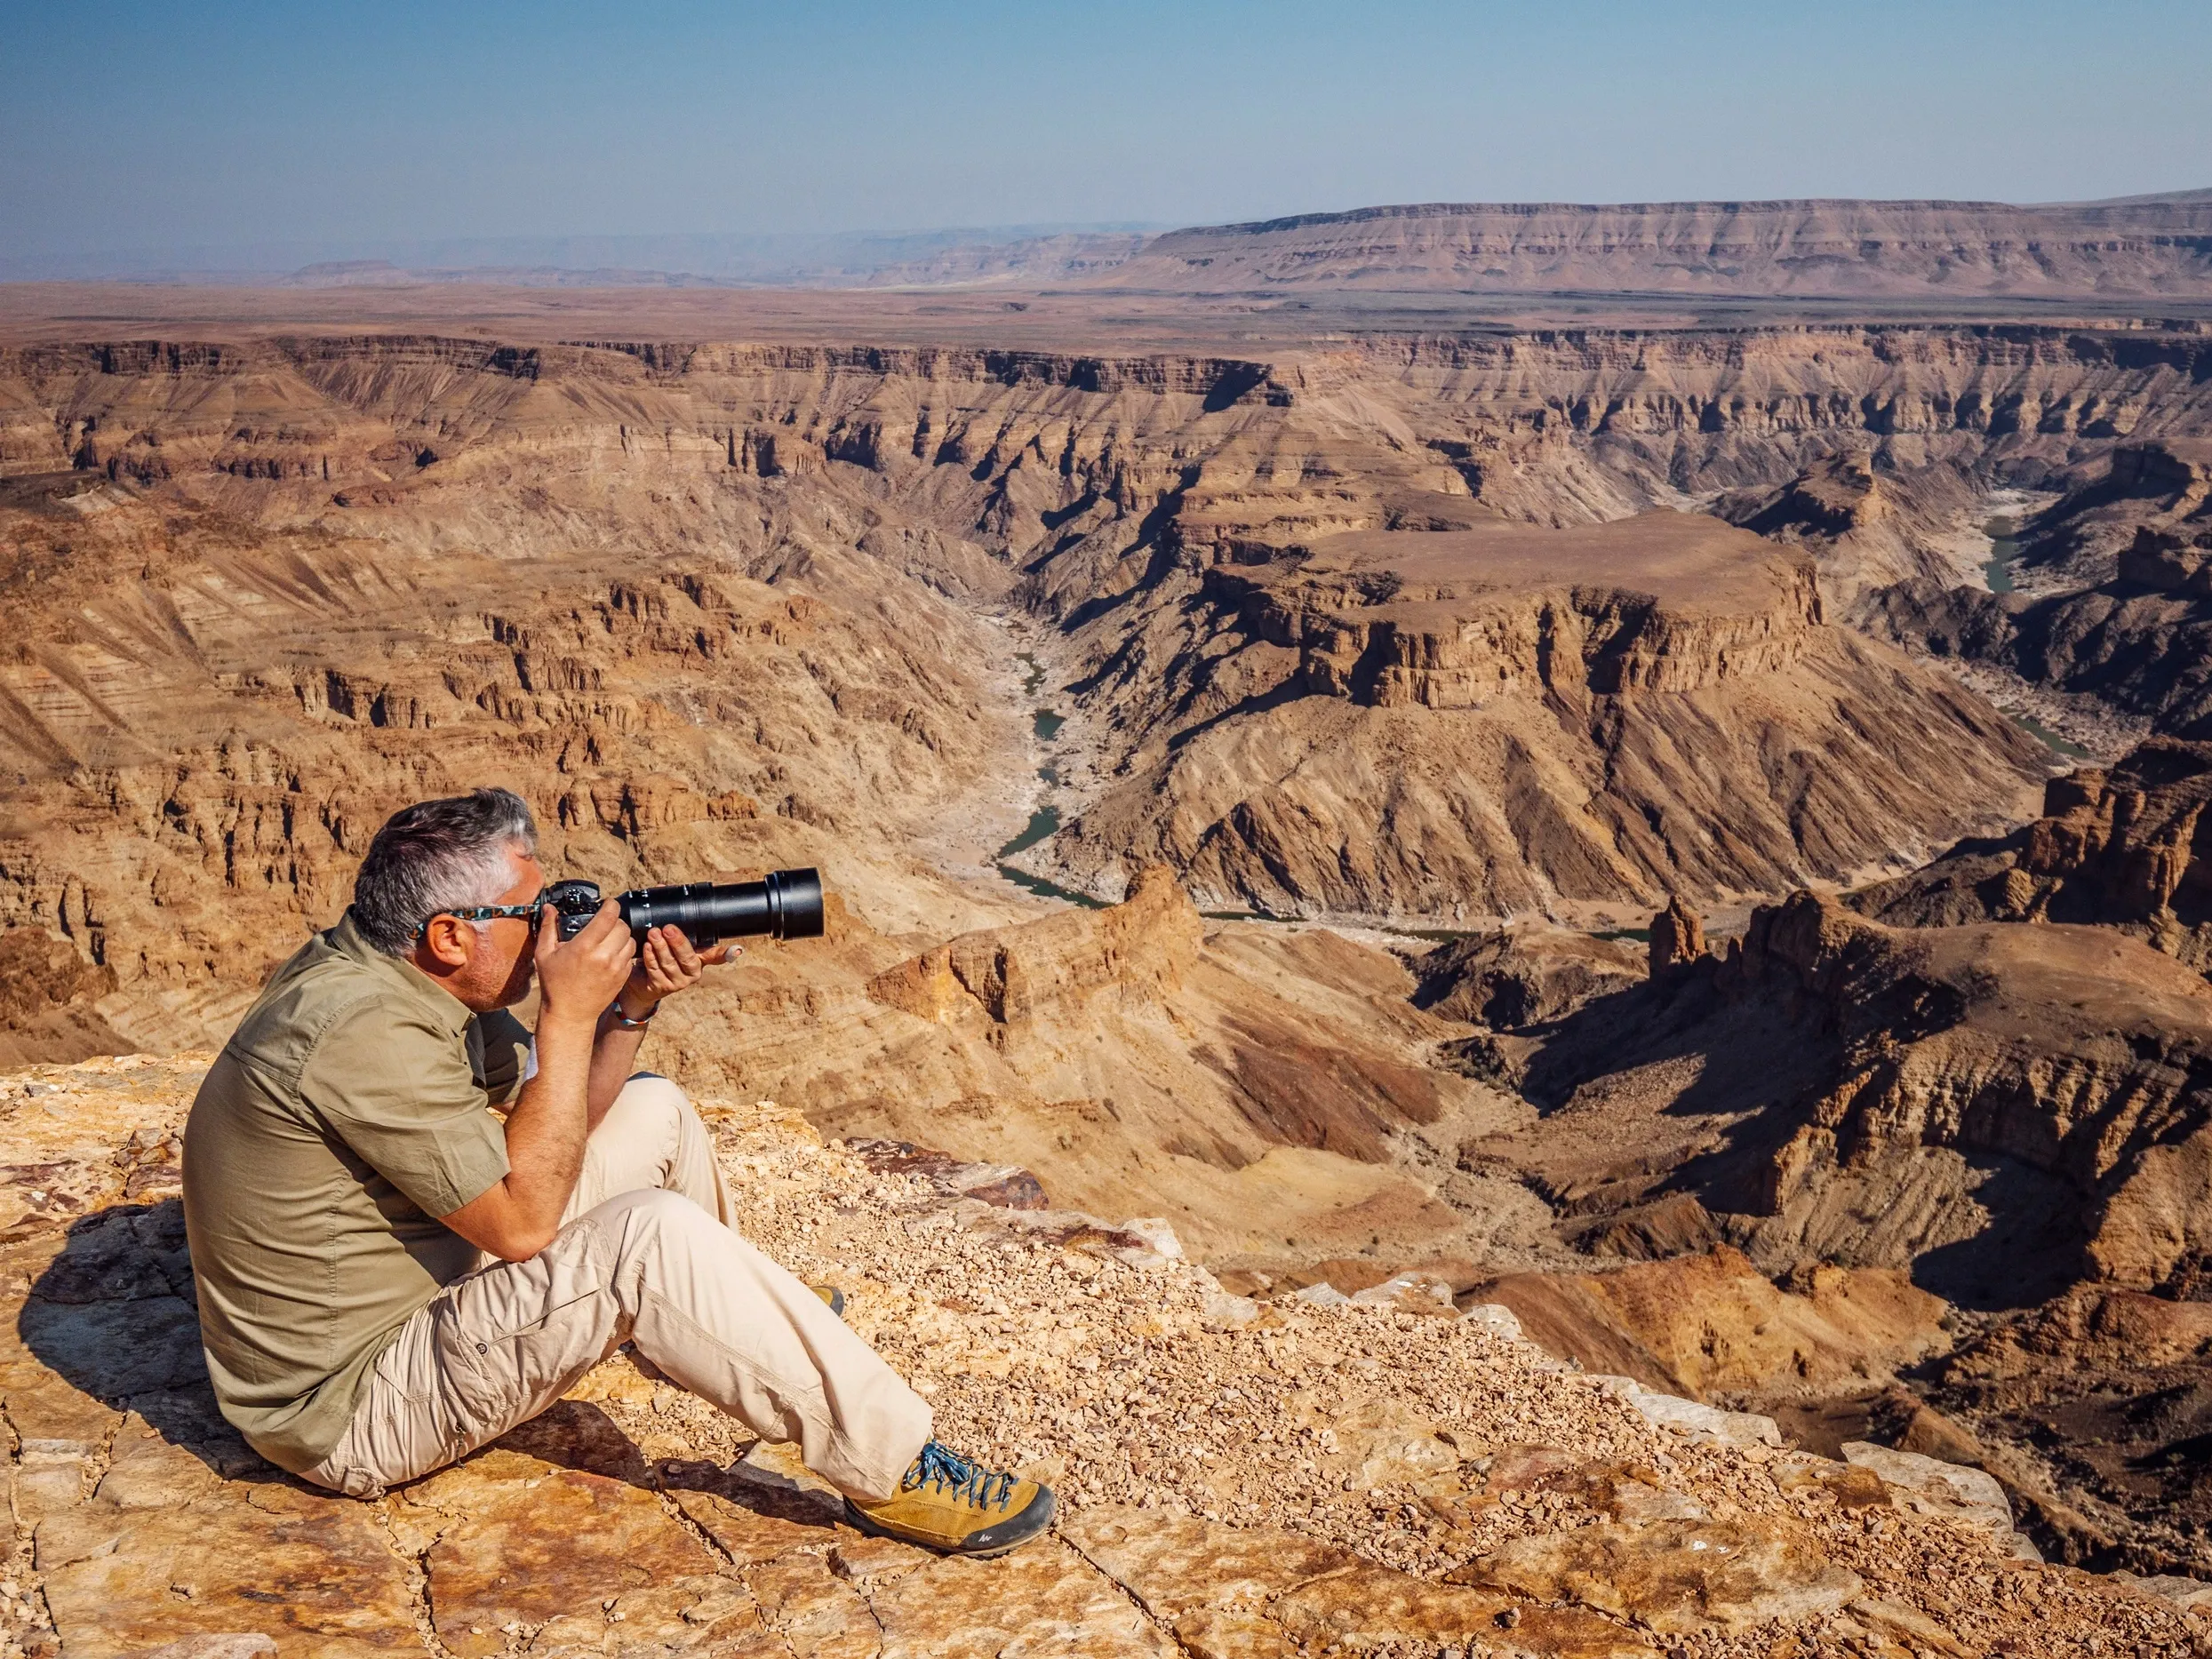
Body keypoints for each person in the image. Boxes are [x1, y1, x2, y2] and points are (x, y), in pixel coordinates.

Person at [180, 787, 1054, 1557]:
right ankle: (892, 1465)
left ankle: (730, 1325)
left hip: (422, 1280)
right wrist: (567, 1013)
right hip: (352, 1405)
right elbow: (524, 1224)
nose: (553, 931)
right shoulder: (362, 1031)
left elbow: (552, 1124)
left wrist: (629, 1005)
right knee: (648, 1239)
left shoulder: (407, 973)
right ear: (448, 934)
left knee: (653, 1107)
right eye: (531, 916)